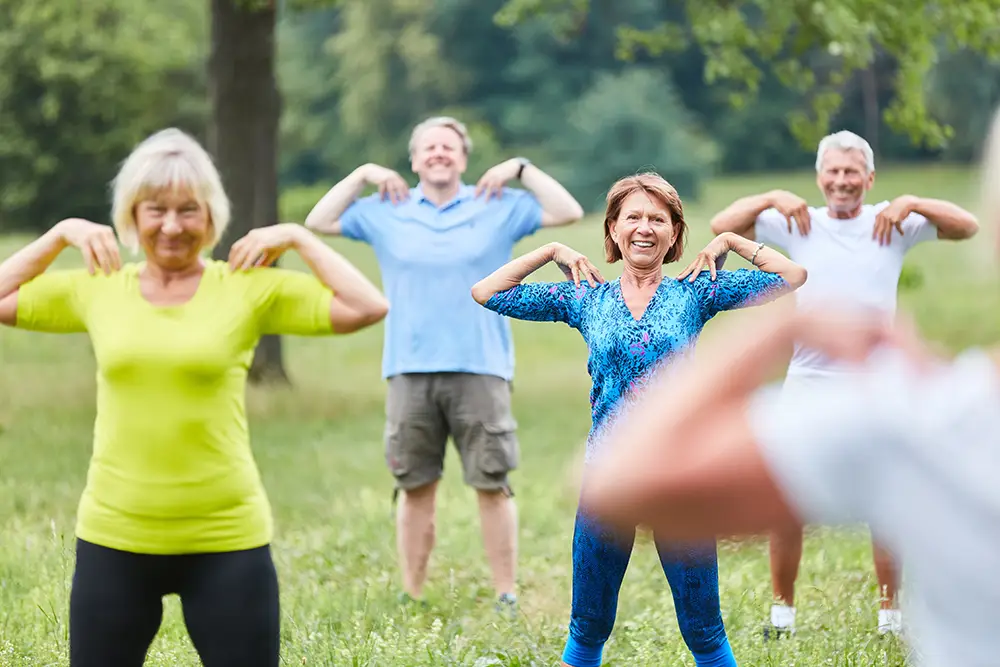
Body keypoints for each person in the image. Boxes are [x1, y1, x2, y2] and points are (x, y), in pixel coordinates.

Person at [0, 128, 389, 667]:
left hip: (226, 536)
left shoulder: (247, 287)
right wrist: (59, 235)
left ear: (212, 217)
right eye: (155, 209)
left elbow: (368, 306)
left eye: (189, 210)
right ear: (131, 216)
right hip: (115, 534)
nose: (172, 225)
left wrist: (300, 240)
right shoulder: (99, 285)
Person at [471, 172, 807, 667]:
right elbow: (486, 292)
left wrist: (732, 241)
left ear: (674, 234)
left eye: (658, 219)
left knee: (703, 627)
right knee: (588, 624)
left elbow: (792, 277)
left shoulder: (696, 291)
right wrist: (552, 252)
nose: (644, 228)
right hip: (609, 476)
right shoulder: (585, 296)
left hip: (682, 476)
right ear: (612, 230)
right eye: (633, 218)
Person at [304, 115, 584, 610]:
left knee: (492, 483)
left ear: (463, 158)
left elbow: (568, 211)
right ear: (413, 159)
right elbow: (317, 222)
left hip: (482, 365)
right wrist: (365, 173)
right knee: (414, 486)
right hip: (408, 369)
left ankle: (506, 593)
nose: (438, 153)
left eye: (448, 147)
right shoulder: (386, 208)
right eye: (428, 147)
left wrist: (520, 168)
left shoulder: (495, 203)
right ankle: (412, 593)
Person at [708, 130, 979, 638]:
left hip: (876, 379)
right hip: (808, 377)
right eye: (832, 172)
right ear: (819, 177)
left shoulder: (891, 221)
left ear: (869, 178)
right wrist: (769, 197)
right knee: (787, 497)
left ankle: (889, 617)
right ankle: (782, 616)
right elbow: (723, 224)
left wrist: (914, 201)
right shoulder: (797, 220)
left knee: (888, 500)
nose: (841, 181)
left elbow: (968, 226)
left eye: (851, 172)